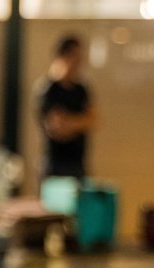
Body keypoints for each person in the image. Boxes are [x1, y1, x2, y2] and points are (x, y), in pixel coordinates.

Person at [37, 34, 97, 182]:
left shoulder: (81, 89)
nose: (80, 62)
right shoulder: (49, 89)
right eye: (76, 57)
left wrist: (70, 122)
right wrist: (80, 121)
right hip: (55, 165)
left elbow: (94, 120)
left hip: (78, 163)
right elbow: (56, 127)